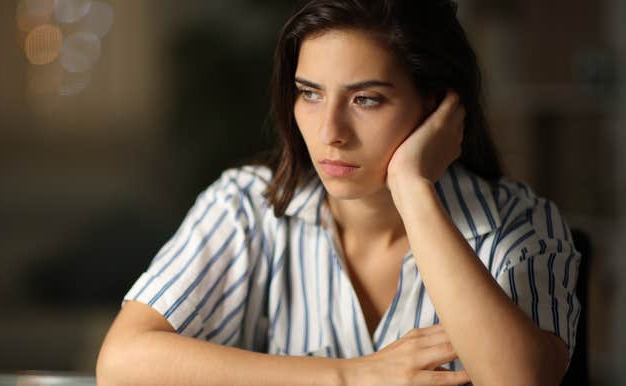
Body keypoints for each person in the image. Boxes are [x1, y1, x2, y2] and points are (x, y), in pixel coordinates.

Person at [96, 0, 581, 385]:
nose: (331, 131)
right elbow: (122, 363)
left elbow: (520, 380)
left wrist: (413, 188)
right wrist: (352, 377)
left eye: (366, 99)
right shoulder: (248, 207)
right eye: (310, 93)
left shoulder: (518, 223)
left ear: (438, 108)